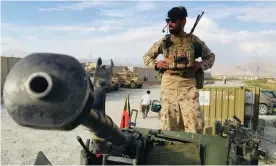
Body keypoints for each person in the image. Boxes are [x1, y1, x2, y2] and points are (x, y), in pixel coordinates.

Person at [143, 6, 215, 134]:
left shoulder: (193, 41)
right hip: (169, 85)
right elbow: (147, 57)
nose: (170, 24)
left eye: (173, 21)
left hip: (188, 86)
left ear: (183, 21)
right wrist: (156, 64)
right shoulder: (165, 41)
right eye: (168, 21)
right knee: (168, 124)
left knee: (194, 124)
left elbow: (210, 57)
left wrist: (201, 65)